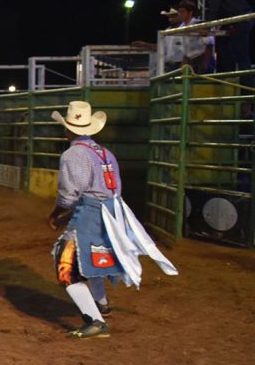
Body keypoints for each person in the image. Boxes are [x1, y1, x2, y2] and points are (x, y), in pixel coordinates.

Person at [47, 101, 178, 339]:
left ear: (67, 129)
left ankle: (95, 321)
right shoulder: (105, 153)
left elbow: (69, 196)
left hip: (92, 213)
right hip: (111, 213)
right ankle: (102, 303)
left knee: (65, 265)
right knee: (91, 255)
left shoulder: (72, 154)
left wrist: (56, 214)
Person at [202, 0, 253, 79]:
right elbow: (221, 8)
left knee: (239, 54)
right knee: (227, 51)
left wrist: (207, 26)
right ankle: (231, 81)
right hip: (236, 21)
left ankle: (245, 86)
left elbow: (215, 6)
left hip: (239, 20)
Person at [131, 7, 183, 73]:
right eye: (169, 17)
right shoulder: (167, 31)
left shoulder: (185, 29)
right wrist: (145, 44)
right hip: (170, 64)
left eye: (173, 16)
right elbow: (161, 47)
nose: (170, 19)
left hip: (181, 63)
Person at [175, 0, 215, 74]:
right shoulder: (181, 28)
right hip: (191, 61)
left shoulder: (199, 25)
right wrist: (184, 64)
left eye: (182, 12)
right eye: (179, 12)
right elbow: (185, 49)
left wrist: (205, 63)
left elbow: (209, 44)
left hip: (204, 58)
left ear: (190, 12)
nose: (180, 14)